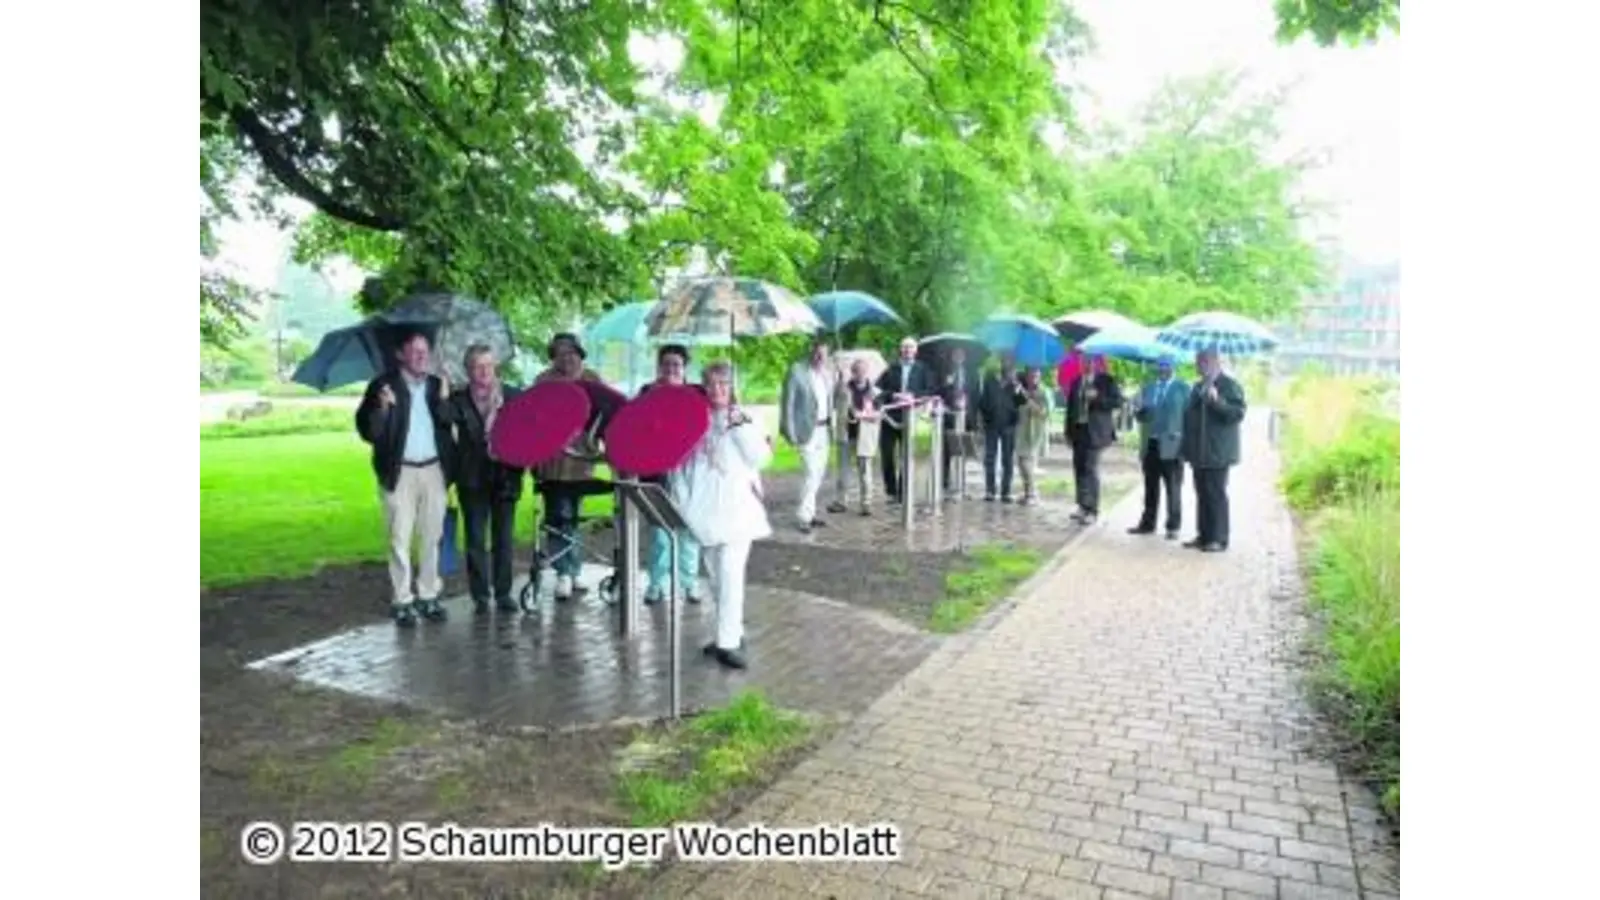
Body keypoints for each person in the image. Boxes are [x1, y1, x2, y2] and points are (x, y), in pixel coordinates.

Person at [671, 361, 774, 670]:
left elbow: (761, 458)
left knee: (730, 575)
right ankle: (732, 630)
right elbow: (681, 464)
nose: (718, 390)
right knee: (716, 578)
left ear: (732, 388)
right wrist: (682, 502)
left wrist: (738, 426)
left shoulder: (744, 418)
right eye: (712, 383)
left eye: (724, 384)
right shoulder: (695, 420)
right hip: (704, 511)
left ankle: (728, 642)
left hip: (736, 510)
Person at [354, 329, 457, 627]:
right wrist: (382, 407)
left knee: (431, 536)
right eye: (415, 351)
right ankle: (402, 599)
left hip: (434, 470)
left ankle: (428, 594)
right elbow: (369, 432)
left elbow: (450, 422)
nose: (422, 356)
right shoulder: (383, 386)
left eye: (425, 351)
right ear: (400, 354)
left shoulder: (439, 385)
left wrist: (445, 400)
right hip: (399, 472)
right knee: (399, 537)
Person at [446, 344, 525, 614]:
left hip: (505, 477)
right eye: (478, 366)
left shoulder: (512, 396)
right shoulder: (458, 400)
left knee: (503, 538)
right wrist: (444, 392)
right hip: (472, 479)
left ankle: (503, 593)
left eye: (488, 366)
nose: (484, 372)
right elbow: (442, 417)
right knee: (475, 539)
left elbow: (530, 431)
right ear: (468, 370)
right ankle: (480, 595)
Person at [532, 332, 604, 601]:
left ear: (580, 354)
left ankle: (573, 570)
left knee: (574, 515)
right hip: (552, 461)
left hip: (582, 461)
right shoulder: (543, 381)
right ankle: (563, 571)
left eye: (571, 352)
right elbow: (532, 418)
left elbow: (605, 413)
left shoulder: (592, 380)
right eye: (561, 353)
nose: (567, 358)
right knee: (558, 515)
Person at [636, 344, 701, 605]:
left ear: (685, 369)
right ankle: (656, 583)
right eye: (666, 364)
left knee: (688, 531)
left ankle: (689, 581)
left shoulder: (697, 393)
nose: (671, 369)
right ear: (658, 367)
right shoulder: (647, 392)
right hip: (656, 473)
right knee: (659, 534)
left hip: (689, 473)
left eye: (676, 365)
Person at [1181, 349, 1247, 552]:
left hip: (1218, 451)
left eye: (1204, 361)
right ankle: (1204, 535)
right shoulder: (1198, 386)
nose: (1199, 365)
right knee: (1202, 493)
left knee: (1216, 493)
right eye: (1198, 361)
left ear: (1216, 362)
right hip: (1199, 451)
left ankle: (1218, 538)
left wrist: (1217, 400)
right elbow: (1189, 417)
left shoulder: (1229, 385)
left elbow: (1236, 414)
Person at [779, 337, 838, 534]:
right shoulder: (797, 371)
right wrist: (790, 432)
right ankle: (804, 517)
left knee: (819, 473)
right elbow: (787, 404)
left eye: (824, 354)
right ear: (811, 351)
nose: (820, 357)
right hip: (805, 431)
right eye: (817, 352)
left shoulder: (828, 374)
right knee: (811, 472)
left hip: (824, 430)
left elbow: (834, 400)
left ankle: (810, 514)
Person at [1129, 355, 1189, 540]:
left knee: (1173, 487)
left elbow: (1188, 417)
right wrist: (1137, 408)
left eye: (1166, 365)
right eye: (1160, 365)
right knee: (1150, 486)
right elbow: (1142, 418)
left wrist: (1184, 439)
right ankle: (1148, 524)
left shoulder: (1183, 388)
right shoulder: (1148, 388)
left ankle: (1173, 526)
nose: (1163, 369)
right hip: (1151, 444)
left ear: (1173, 367)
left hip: (1172, 445)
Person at [1063, 354, 1122, 524]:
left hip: (1096, 432)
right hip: (1078, 431)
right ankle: (1082, 505)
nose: (1087, 364)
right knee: (1079, 467)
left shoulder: (1105, 381)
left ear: (1096, 363)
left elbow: (1117, 402)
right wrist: (1067, 432)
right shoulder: (1076, 382)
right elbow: (1070, 409)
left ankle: (1093, 509)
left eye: (1090, 361)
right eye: (1084, 361)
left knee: (1091, 468)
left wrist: (1097, 397)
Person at [874, 337, 934, 502]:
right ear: (901, 350)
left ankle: (903, 491)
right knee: (887, 455)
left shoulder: (923, 369)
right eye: (904, 348)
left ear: (916, 351)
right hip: (890, 418)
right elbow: (878, 391)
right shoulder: (891, 369)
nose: (907, 350)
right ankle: (891, 491)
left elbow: (929, 391)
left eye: (910, 348)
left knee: (906, 455)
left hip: (911, 418)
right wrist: (894, 395)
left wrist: (912, 396)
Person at [976, 351, 1023, 502]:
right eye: (1005, 361)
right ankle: (990, 490)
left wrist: (1017, 389)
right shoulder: (990, 381)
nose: (1008, 365)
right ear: (1001, 363)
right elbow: (982, 403)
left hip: (1009, 426)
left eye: (1011, 363)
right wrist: (984, 419)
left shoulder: (1016, 383)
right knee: (990, 458)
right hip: (992, 425)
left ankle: (1006, 492)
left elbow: (1022, 403)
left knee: (1007, 459)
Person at [843, 358, 882, 515]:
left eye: (863, 371)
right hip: (848, 434)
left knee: (865, 471)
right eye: (857, 370)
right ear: (852, 372)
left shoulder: (874, 391)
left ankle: (866, 503)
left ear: (867, 372)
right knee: (845, 470)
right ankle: (842, 500)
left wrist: (864, 415)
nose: (860, 374)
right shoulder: (845, 389)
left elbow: (879, 413)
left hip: (865, 435)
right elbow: (838, 409)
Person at [939, 346, 980, 496]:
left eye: (961, 354)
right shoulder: (945, 371)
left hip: (966, 417)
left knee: (963, 450)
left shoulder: (972, 373)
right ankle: (944, 482)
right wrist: (947, 383)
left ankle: (961, 484)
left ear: (965, 356)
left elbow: (976, 396)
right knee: (946, 451)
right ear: (951, 356)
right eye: (955, 353)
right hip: (949, 416)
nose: (958, 356)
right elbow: (939, 392)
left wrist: (973, 417)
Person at [1014, 366, 1053, 505]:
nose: (1033, 378)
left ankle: (1032, 493)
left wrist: (1031, 403)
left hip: (1035, 431)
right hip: (1022, 429)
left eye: (1036, 375)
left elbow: (1046, 413)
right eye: (1031, 374)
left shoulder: (1044, 391)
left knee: (1027, 462)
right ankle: (1028, 492)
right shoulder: (1024, 389)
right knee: (1021, 460)